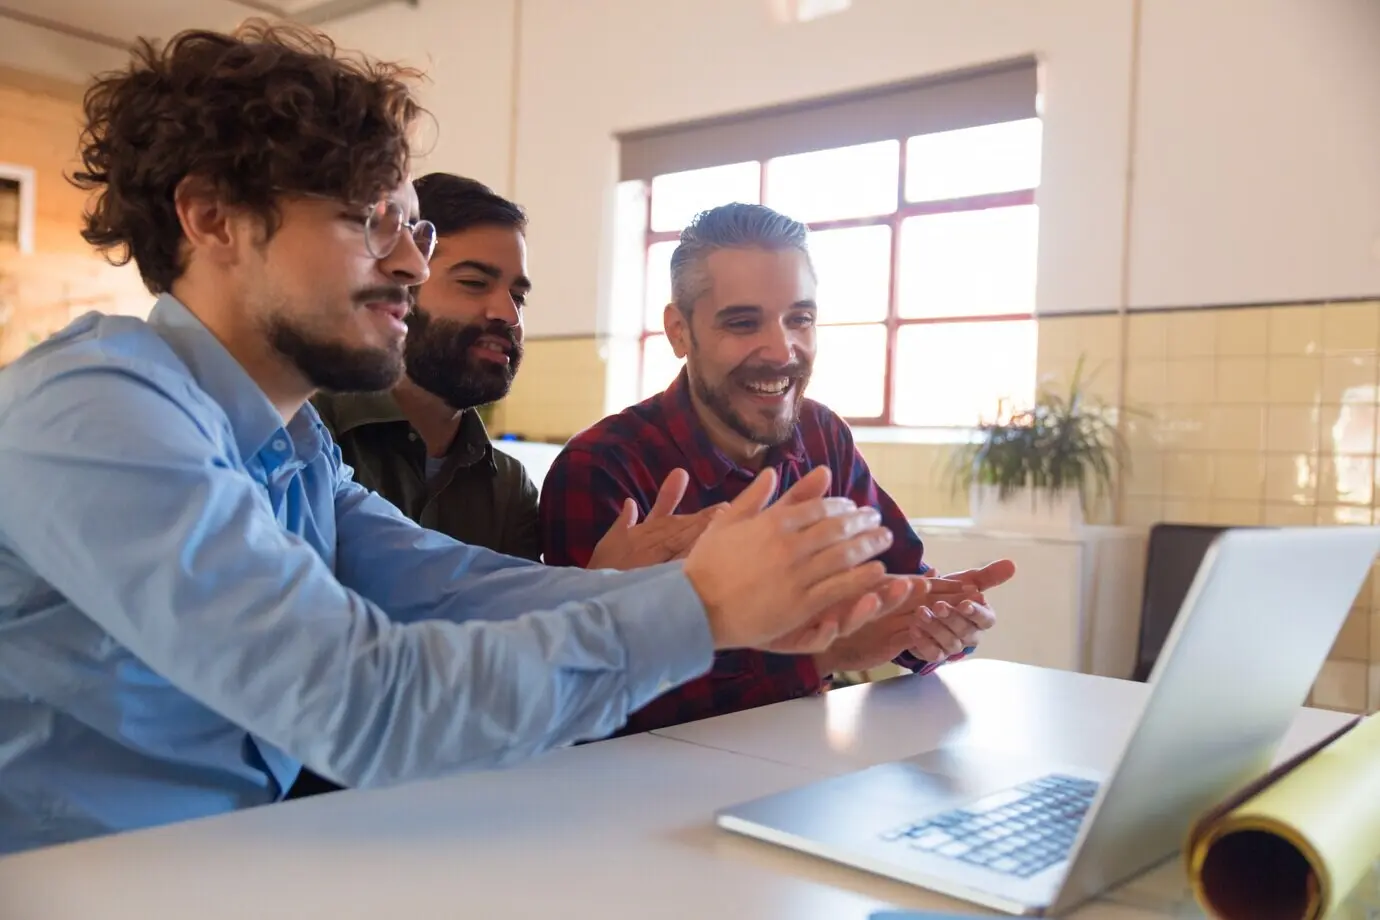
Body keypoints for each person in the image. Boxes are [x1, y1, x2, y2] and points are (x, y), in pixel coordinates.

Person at [0, 23, 930, 856]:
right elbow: (364, 701)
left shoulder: (291, 445)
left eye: (415, 227)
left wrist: (703, 588)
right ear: (211, 218)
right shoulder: (99, 407)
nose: (410, 263)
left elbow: (448, 585)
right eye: (369, 221)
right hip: (81, 881)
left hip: (241, 859)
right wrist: (702, 609)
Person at [540, 202, 1015, 736]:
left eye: (800, 319)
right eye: (743, 323)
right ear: (679, 332)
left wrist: (936, 627)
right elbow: (598, 701)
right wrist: (824, 654)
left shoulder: (821, 435)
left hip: (802, 763)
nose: (781, 349)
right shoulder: (602, 467)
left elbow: (901, 587)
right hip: (647, 793)